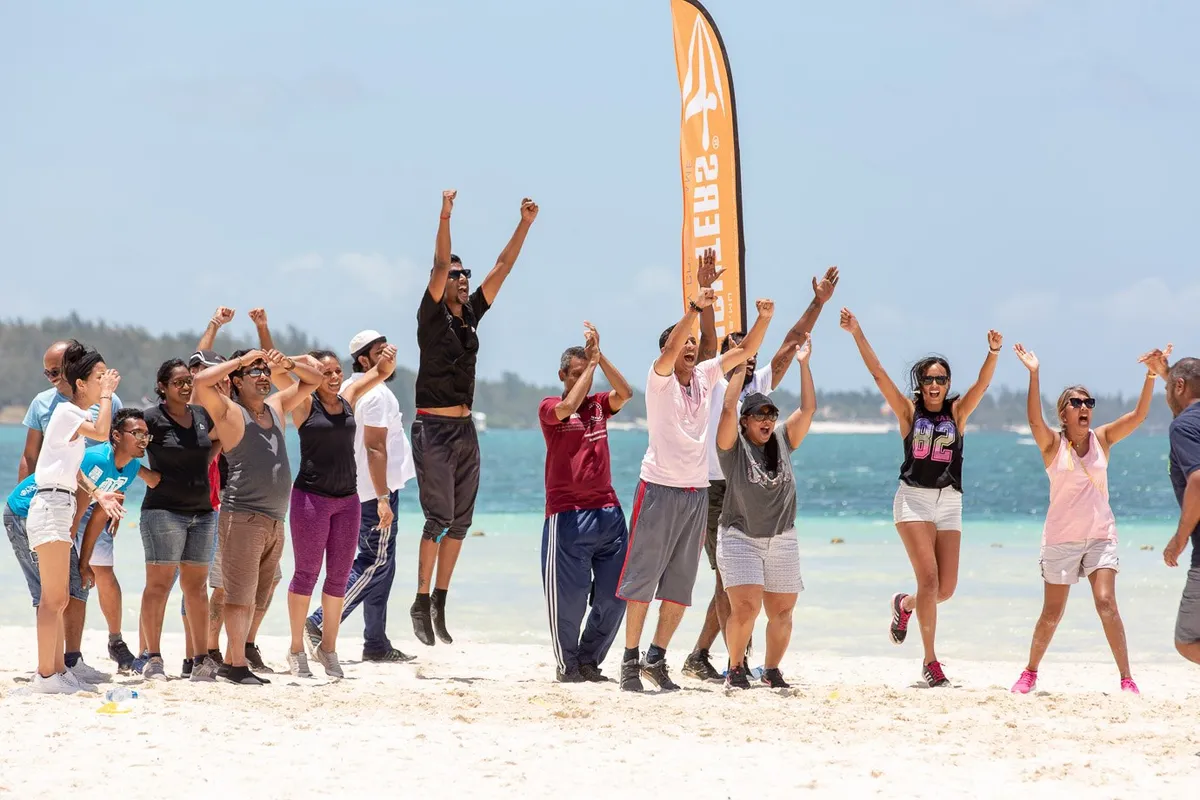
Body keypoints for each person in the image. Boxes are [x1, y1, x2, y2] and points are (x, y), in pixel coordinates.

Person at [684, 253, 839, 681]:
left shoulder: (760, 389)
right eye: (742, 348)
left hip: (752, 497)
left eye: (750, 351)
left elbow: (791, 342)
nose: (747, 354)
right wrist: (706, 296)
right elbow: (713, 339)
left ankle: (717, 654)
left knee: (734, 585)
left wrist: (818, 303)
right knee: (726, 582)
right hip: (714, 486)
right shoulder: (713, 375)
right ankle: (704, 654)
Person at [617, 292, 774, 693]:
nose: (690, 347)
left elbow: (746, 351)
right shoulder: (659, 379)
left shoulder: (705, 375)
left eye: (693, 342)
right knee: (642, 581)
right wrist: (693, 311)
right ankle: (630, 662)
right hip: (658, 489)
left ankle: (656, 656)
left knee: (680, 587)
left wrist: (764, 319)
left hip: (696, 492)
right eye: (683, 342)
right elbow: (671, 347)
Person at [840, 308, 1001, 687]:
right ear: (920, 382)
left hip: (949, 502)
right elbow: (878, 373)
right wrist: (857, 332)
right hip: (913, 500)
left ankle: (904, 605)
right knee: (928, 580)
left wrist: (993, 353)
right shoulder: (909, 413)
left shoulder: (957, 413)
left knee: (944, 590)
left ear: (947, 383)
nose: (934, 385)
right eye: (928, 379)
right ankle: (931, 662)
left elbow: (981, 386)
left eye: (940, 379)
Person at [410, 189, 538, 646]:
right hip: (434, 428)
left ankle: (441, 601)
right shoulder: (431, 317)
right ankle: (420, 600)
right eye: (457, 275)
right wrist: (445, 215)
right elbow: (440, 263)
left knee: (460, 520)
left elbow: (502, 268)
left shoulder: (471, 318)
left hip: (465, 429)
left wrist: (524, 223)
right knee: (437, 516)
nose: (463, 280)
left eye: (466, 275)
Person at [252, 311, 402, 677]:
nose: (335, 377)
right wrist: (264, 331)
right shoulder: (304, 405)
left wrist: (386, 360)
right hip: (311, 500)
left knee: (337, 578)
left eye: (337, 371)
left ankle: (329, 648)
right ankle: (295, 648)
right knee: (306, 573)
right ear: (315, 376)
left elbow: (380, 373)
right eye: (328, 372)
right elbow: (277, 371)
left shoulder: (349, 396)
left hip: (348, 500)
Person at [1009, 344, 1161, 694]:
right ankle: (1030, 671)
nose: (1084, 408)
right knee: (1052, 613)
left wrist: (1151, 375)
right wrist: (1034, 373)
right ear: (1063, 414)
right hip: (1061, 538)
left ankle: (1126, 678)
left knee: (1106, 602)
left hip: (1100, 535)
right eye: (1076, 403)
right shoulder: (1052, 445)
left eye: (1088, 403)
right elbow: (1034, 420)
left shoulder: (1102, 439)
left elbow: (1138, 416)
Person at [193, 348, 321, 685]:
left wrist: (286, 363)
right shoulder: (230, 411)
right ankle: (235, 666)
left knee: (258, 595)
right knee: (238, 595)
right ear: (237, 381)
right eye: (255, 372)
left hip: (275, 520)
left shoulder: (276, 407)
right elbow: (201, 382)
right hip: (243, 517)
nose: (263, 376)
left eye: (265, 371)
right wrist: (240, 359)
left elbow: (316, 380)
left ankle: (237, 660)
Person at [306, 330, 418, 664]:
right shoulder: (376, 393)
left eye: (391, 350)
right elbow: (374, 447)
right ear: (365, 359)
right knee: (375, 562)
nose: (390, 356)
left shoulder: (346, 389)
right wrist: (383, 497)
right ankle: (320, 621)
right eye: (382, 352)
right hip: (373, 493)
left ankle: (376, 642)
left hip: (361, 490)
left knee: (384, 565)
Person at [715, 335, 815, 690]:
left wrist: (804, 365)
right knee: (745, 608)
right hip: (740, 536)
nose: (767, 420)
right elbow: (727, 410)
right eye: (759, 415)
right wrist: (740, 370)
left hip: (782, 538)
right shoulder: (733, 447)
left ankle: (771, 670)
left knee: (783, 612)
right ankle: (736, 667)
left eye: (771, 414)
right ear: (745, 421)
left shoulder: (782, 441)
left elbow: (808, 410)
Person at [24, 341, 124, 693]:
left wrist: (98, 493)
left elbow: (71, 469)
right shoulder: (68, 412)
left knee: (61, 598)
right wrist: (108, 396)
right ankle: (46, 675)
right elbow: (101, 433)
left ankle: (56, 671)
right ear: (82, 384)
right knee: (53, 599)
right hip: (50, 506)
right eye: (99, 378)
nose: (104, 382)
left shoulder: (72, 417)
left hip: (60, 504)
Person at [539, 322, 634, 683]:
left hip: (608, 513)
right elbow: (567, 405)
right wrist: (589, 368)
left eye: (586, 375)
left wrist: (599, 357)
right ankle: (568, 665)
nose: (584, 382)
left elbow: (624, 392)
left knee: (615, 596)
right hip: (567, 516)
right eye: (576, 374)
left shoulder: (598, 406)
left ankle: (590, 660)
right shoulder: (550, 407)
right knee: (571, 600)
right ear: (563, 374)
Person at [136, 358, 223, 682]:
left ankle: (201, 660)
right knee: (158, 587)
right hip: (163, 511)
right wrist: (146, 474)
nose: (186, 387)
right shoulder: (151, 419)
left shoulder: (200, 415)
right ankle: (153, 658)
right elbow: (121, 445)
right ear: (162, 386)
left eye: (189, 381)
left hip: (202, 513)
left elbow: (218, 439)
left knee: (196, 589)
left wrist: (204, 461)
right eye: (179, 382)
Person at [73, 408, 160, 673]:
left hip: (98, 514)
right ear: (116, 436)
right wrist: (72, 546)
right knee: (73, 581)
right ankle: (69, 653)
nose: (143, 439)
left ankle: (115, 641)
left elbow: (123, 487)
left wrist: (116, 511)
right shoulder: (94, 458)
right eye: (137, 434)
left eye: (146, 434)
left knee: (104, 576)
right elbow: (75, 502)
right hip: (70, 513)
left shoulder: (132, 465)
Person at [18, 340, 125, 479]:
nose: (50, 378)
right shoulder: (62, 410)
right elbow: (30, 456)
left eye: (55, 372)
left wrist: (101, 494)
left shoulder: (104, 404)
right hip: (56, 492)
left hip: (82, 487)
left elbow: (120, 450)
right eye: (47, 373)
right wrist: (23, 496)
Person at [1154, 353, 1200, 667]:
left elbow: (1197, 481)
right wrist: (1168, 374)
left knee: (1186, 641)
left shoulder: (1183, 426)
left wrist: (1179, 538)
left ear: (1180, 385)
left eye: (1170, 387)